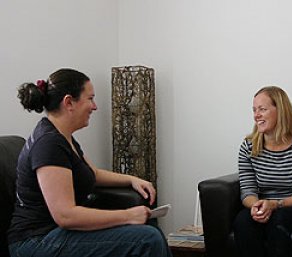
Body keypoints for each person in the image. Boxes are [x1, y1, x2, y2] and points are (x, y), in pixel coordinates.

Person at [8, 68, 172, 257]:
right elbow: (65, 215)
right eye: (90, 98)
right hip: (36, 242)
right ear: (69, 102)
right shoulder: (49, 144)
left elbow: (91, 173)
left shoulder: (63, 137)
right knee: (147, 239)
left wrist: (131, 179)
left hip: (54, 235)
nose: (94, 106)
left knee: (150, 229)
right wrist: (128, 216)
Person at [233, 86, 292, 257]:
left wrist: (273, 205)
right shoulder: (248, 146)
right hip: (265, 205)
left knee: (279, 219)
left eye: (262, 109)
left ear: (280, 111)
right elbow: (248, 192)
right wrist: (256, 206)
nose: (256, 115)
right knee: (243, 221)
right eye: (254, 110)